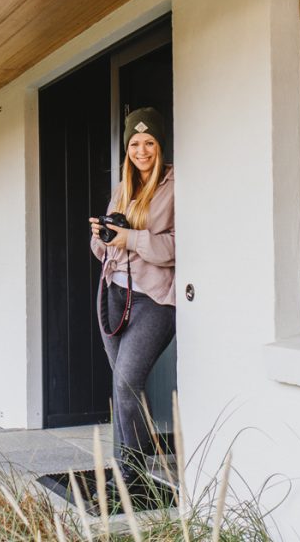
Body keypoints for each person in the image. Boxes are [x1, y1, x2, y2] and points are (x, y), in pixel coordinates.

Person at [89, 106, 176, 499]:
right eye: (135, 144)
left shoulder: (176, 186)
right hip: (113, 295)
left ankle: (135, 475)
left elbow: (176, 247)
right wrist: (104, 237)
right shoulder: (123, 188)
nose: (141, 151)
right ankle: (124, 471)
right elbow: (102, 250)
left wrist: (132, 239)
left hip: (153, 299)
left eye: (149, 143)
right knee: (121, 385)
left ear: (161, 144)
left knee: (127, 383)